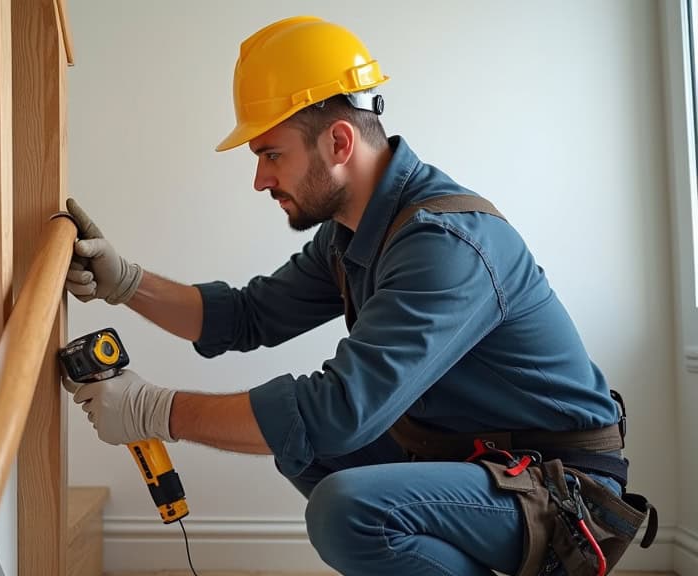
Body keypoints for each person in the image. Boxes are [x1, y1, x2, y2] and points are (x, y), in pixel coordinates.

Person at [62, 15, 654, 576]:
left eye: (272, 153)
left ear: (339, 143)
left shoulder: (445, 245)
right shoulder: (351, 234)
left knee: (346, 501)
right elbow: (245, 317)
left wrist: (154, 411)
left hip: (559, 489)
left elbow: (342, 409)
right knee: (308, 449)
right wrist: (128, 283)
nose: (260, 179)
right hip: (473, 459)